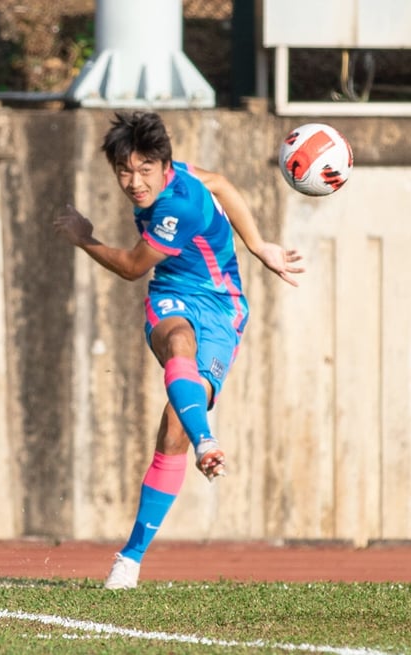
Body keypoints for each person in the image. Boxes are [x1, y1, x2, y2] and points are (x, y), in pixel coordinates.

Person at [53, 111, 304, 590]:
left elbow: (131, 266)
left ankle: (134, 552)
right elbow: (221, 183)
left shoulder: (178, 206)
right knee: (177, 342)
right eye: (124, 171)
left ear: (164, 167)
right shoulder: (180, 174)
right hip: (171, 293)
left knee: (173, 430)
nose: (134, 183)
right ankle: (203, 446)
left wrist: (84, 239)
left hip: (224, 309)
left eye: (144, 170)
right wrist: (257, 246)